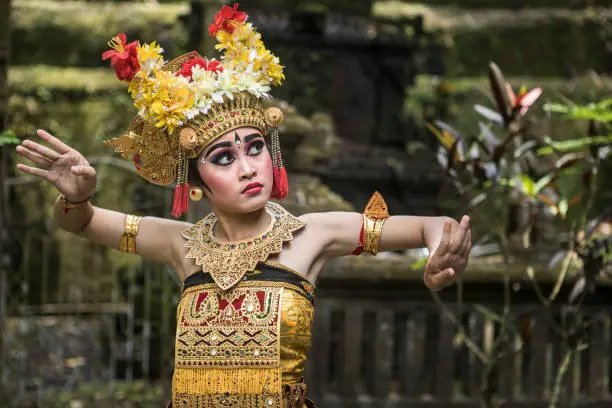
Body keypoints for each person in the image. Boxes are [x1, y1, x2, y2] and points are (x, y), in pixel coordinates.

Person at [15, 3, 471, 407]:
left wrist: (437, 258)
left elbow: (433, 225)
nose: (249, 168)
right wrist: (75, 198)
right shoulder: (182, 245)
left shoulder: (313, 232)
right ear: (194, 181)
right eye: (224, 158)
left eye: (255, 148)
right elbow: (81, 223)